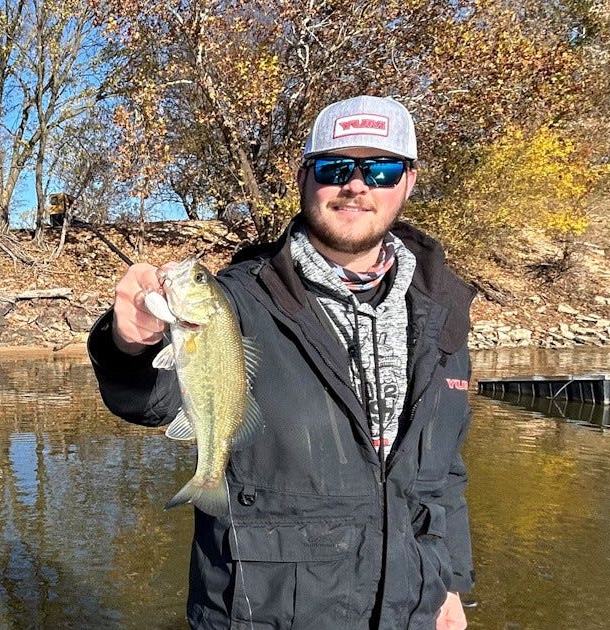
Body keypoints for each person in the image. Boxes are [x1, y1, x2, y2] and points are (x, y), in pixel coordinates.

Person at [88, 95, 475, 630]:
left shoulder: (443, 310)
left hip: (411, 609)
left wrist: (451, 583)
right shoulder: (239, 300)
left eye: (381, 169)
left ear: (408, 181)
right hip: (266, 612)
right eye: (335, 167)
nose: (356, 184)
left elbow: (442, 476)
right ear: (304, 179)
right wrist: (129, 344)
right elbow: (151, 399)